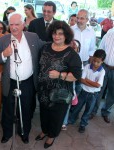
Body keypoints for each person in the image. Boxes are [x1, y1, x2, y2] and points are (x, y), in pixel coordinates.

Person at [0, 12, 45, 144]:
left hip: (28, 82)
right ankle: (7, 133)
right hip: (10, 82)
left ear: (23, 24)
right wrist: (4, 54)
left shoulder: (33, 37)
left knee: (26, 108)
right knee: (8, 110)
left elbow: (45, 45)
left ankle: (24, 132)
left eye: (17, 24)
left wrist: (65, 43)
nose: (14, 27)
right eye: (11, 24)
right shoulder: (2, 40)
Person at [35, 21, 82, 149]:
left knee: (56, 117)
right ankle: (44, 131)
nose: (57, 36)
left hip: (60, 94)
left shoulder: (71, 54)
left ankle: (51, 136)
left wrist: (60, 75)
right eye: (55, 33)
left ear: (66, 35)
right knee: (43, 113)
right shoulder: (45, 48)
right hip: (44, 91)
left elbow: (77, 76)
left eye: (60, 34)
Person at [69, 50, 106, 133]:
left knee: (88, 110)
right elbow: (81, 80)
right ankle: (71, 119)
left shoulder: (102, 71)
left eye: (98, 62)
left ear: (102, 62)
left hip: (93, 95)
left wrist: (87, 80)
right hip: (83, 92)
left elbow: (98, 85)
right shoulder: (87, 66)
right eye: (94, 60)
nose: (95, 63)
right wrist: (92, 83)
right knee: (77, 107)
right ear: (92, 57)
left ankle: (83, 124)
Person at [90, 30, 114, 123]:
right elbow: (100, 49)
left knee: (112, 93)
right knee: (99, 90)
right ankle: (93, 111)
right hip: (104, 67)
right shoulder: (109, 34)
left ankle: (106, 112)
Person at [71, 9, 96, 95]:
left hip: (84, 63)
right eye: (78, 18)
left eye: (82, 18)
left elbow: (92, 49)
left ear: (87, 20)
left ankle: (75, 106)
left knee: (79, 86)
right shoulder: (70, 30)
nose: (79, 20)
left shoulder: (91, 32)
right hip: (71, 63)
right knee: (71, 85)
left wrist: (90, 64)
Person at [62, 39, 81, 131]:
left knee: (67, 104)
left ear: (78, 50)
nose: (73, 49)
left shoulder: (78, 60)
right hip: (61, 85)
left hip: (70, 87)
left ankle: (64, 122)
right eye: (71, 47)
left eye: (75, 48)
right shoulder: (63, 57)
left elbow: (75, 77)